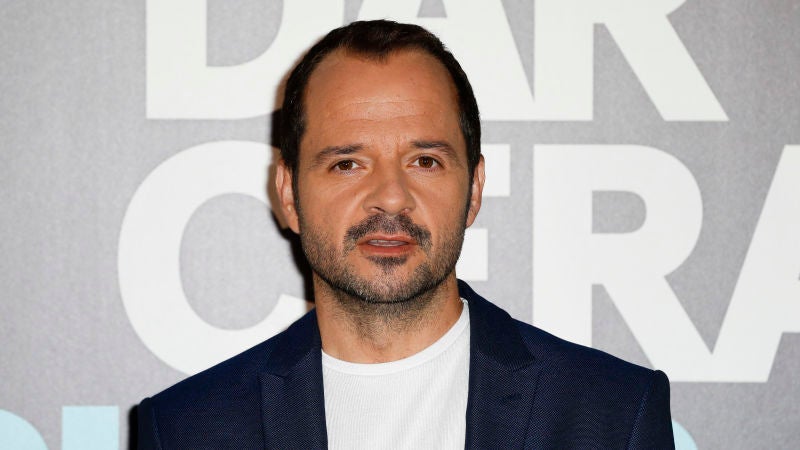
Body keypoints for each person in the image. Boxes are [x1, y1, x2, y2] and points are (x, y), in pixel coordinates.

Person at [137, 20, 674, 449]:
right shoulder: (186, 430)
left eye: (424, 161)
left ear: (475, 187)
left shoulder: (613, 414)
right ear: (290, 194)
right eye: (347, 163)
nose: (391, 197)